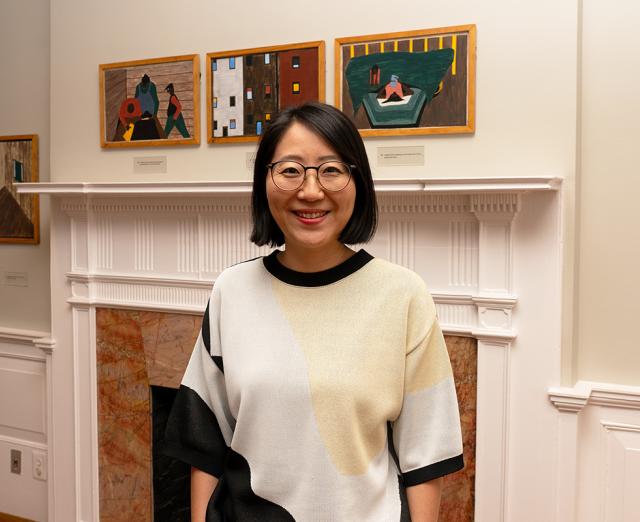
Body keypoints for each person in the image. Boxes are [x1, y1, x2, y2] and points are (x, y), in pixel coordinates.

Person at [163, 102, 464, 521]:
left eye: (331, 169)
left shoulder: (403, 295)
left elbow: (426, 455)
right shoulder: (231, 291)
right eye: (290, 170)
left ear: (357, 181)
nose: (310, 191)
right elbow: (205, 441)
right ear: (263, 181)